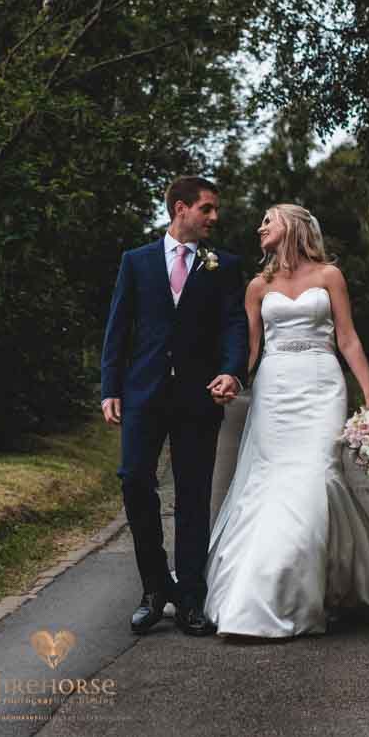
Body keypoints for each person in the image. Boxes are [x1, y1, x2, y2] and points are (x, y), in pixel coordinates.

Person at [204, 203, 369, 638]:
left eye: (267, 221)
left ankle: (314, 590)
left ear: (292, 225)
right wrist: (233, 380)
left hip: (321, 386)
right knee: (274, 485)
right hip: (275, 391)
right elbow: (252, 351)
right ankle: (265, 595)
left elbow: (347, 339)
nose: (260, 228)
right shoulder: (259, 286)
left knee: (320, 479)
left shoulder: (330, 276)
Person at [100, 176, 249, 636]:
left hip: (197, 397)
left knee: (193, 495)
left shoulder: (223, 265)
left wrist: (232, 371)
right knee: (134, 481)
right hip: (143, 394)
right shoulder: (136, 261)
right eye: (206, 209)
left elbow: (233, 325)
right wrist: (110, 388)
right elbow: (118, 327)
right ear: (180, 209)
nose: (214, 218)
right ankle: (154, 586)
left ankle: (190, 597)